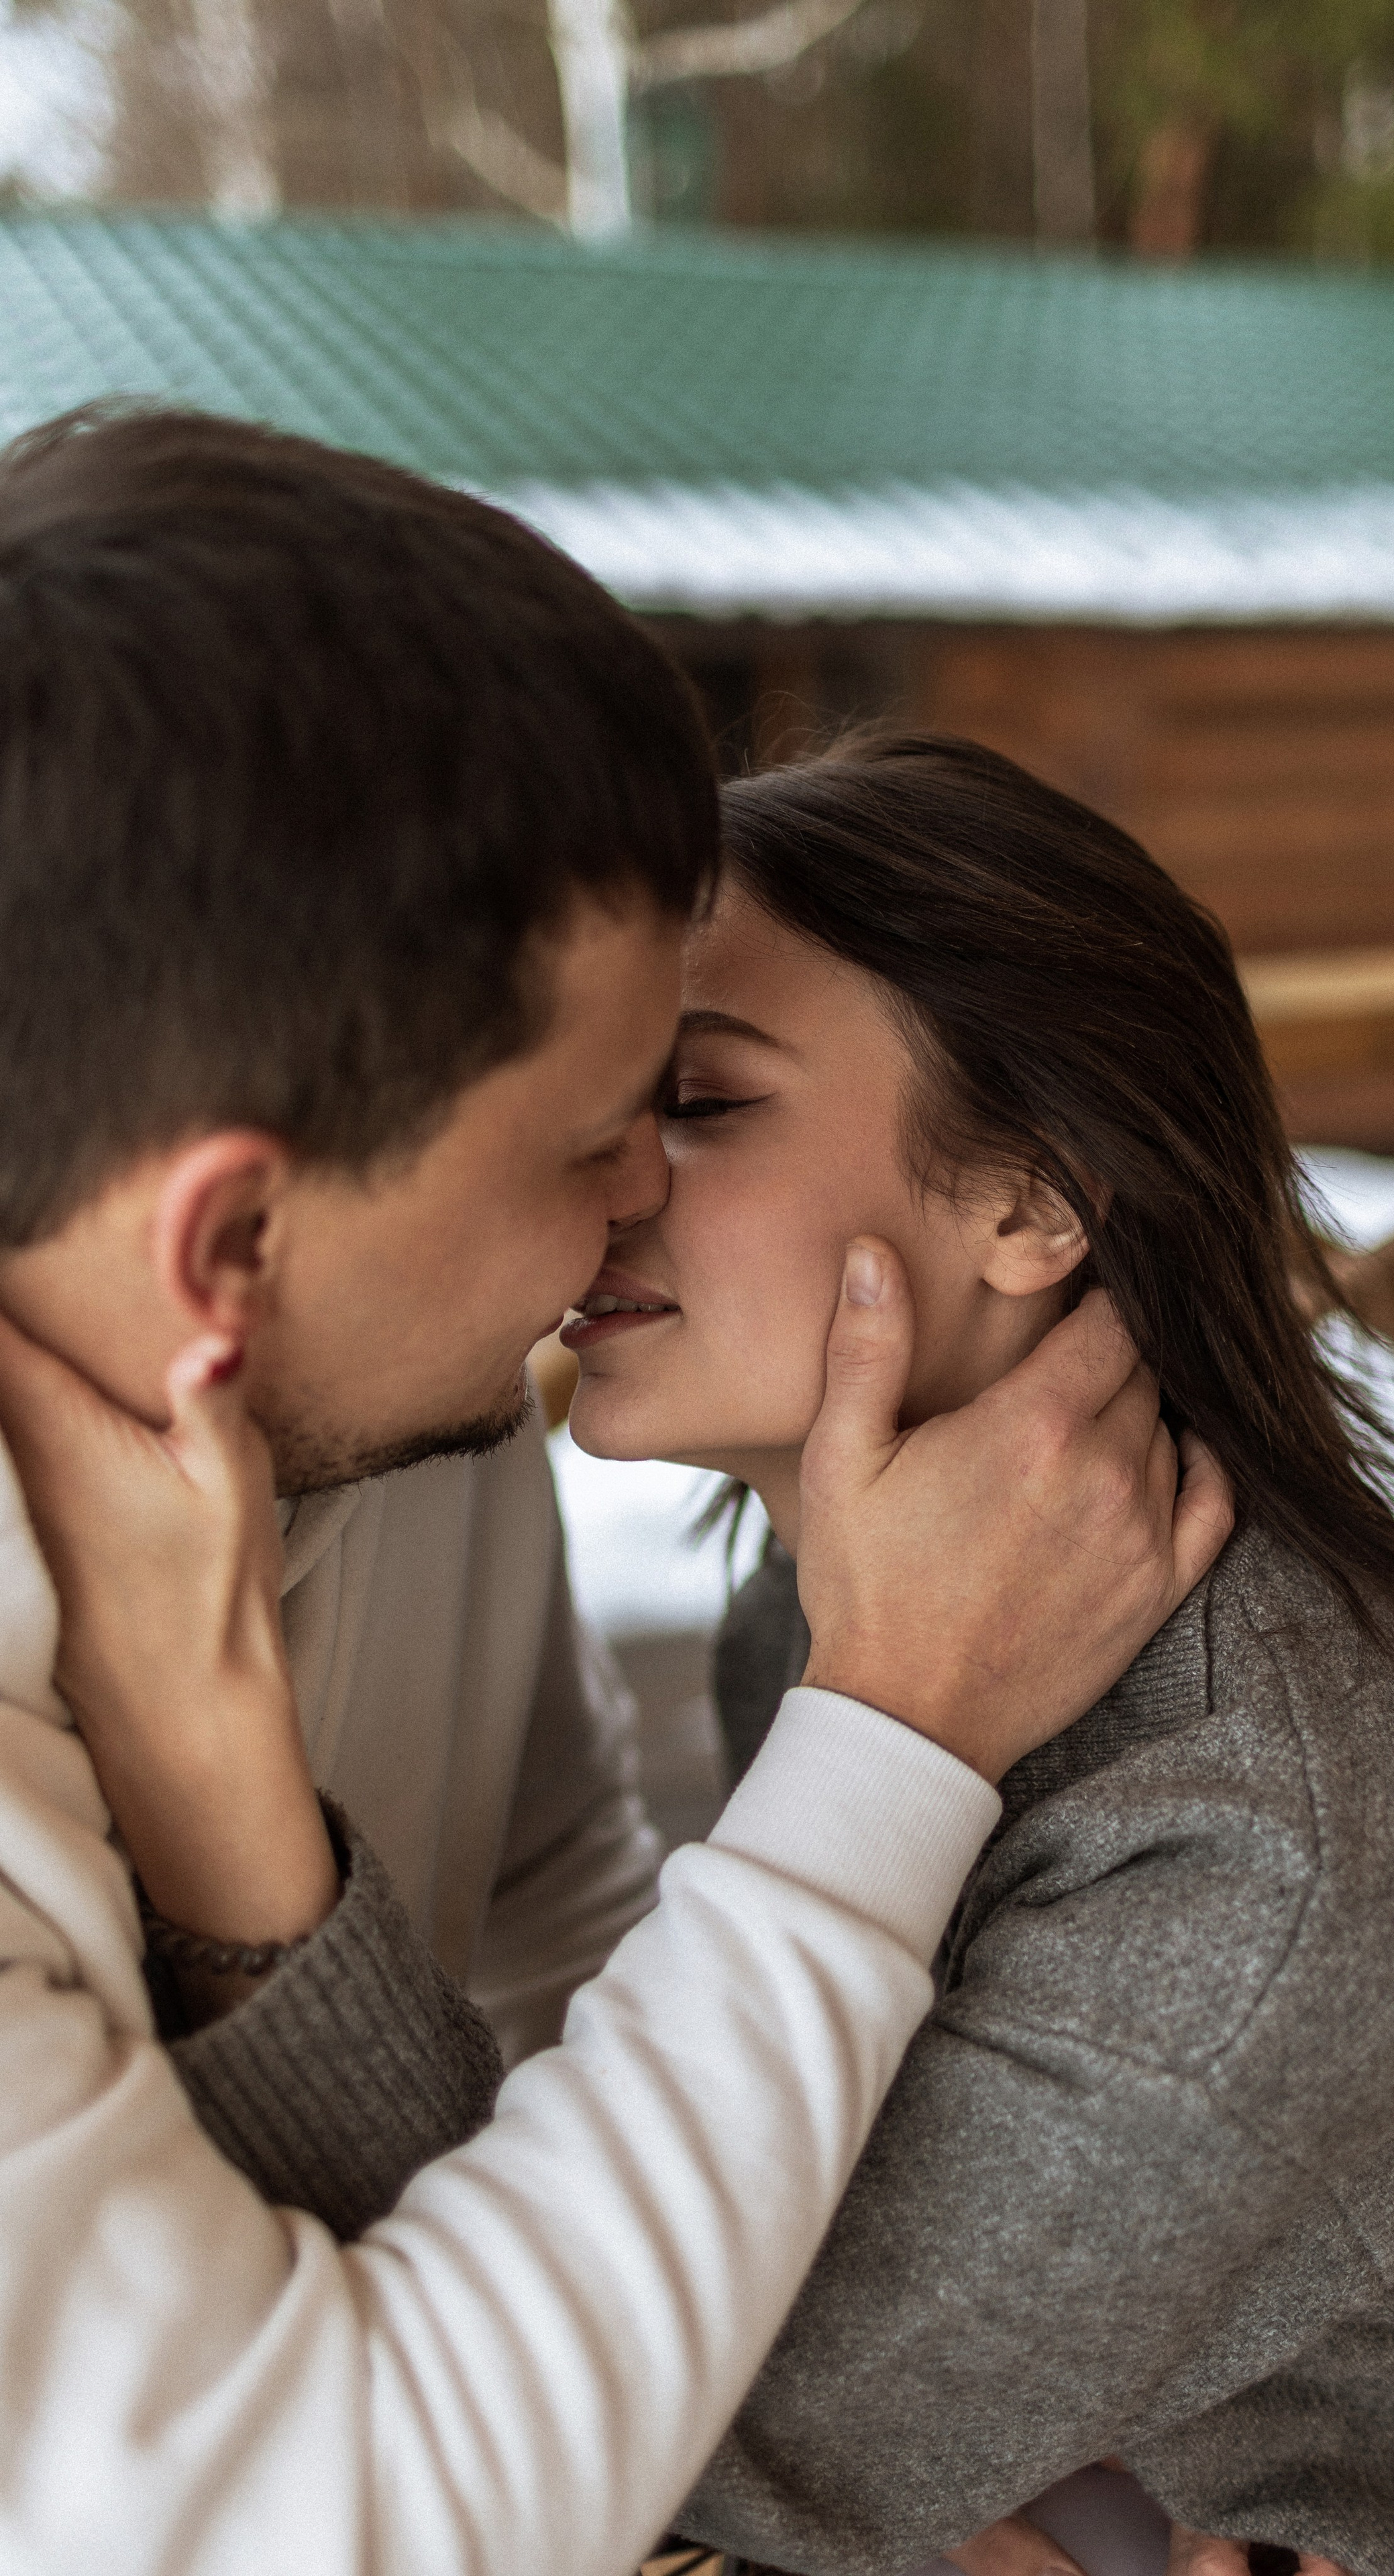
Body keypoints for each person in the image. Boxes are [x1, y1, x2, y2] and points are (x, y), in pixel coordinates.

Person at [0, 414, 1232, 2575]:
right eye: (597, 1136)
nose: (639, 1208)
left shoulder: (399, 1403)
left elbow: (556, 1965)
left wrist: (823, 2464)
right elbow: (329, 2519)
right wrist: (896, 1740)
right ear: (223, 1253)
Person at [547, 734, 1394, 2576]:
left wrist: (232, 1851)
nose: (593, 1171)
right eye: (584, 1094)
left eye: (695, 1099)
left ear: (1032, 1199)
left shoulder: (1278, 1842)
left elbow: (613, 2454)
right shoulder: (850, 1608)